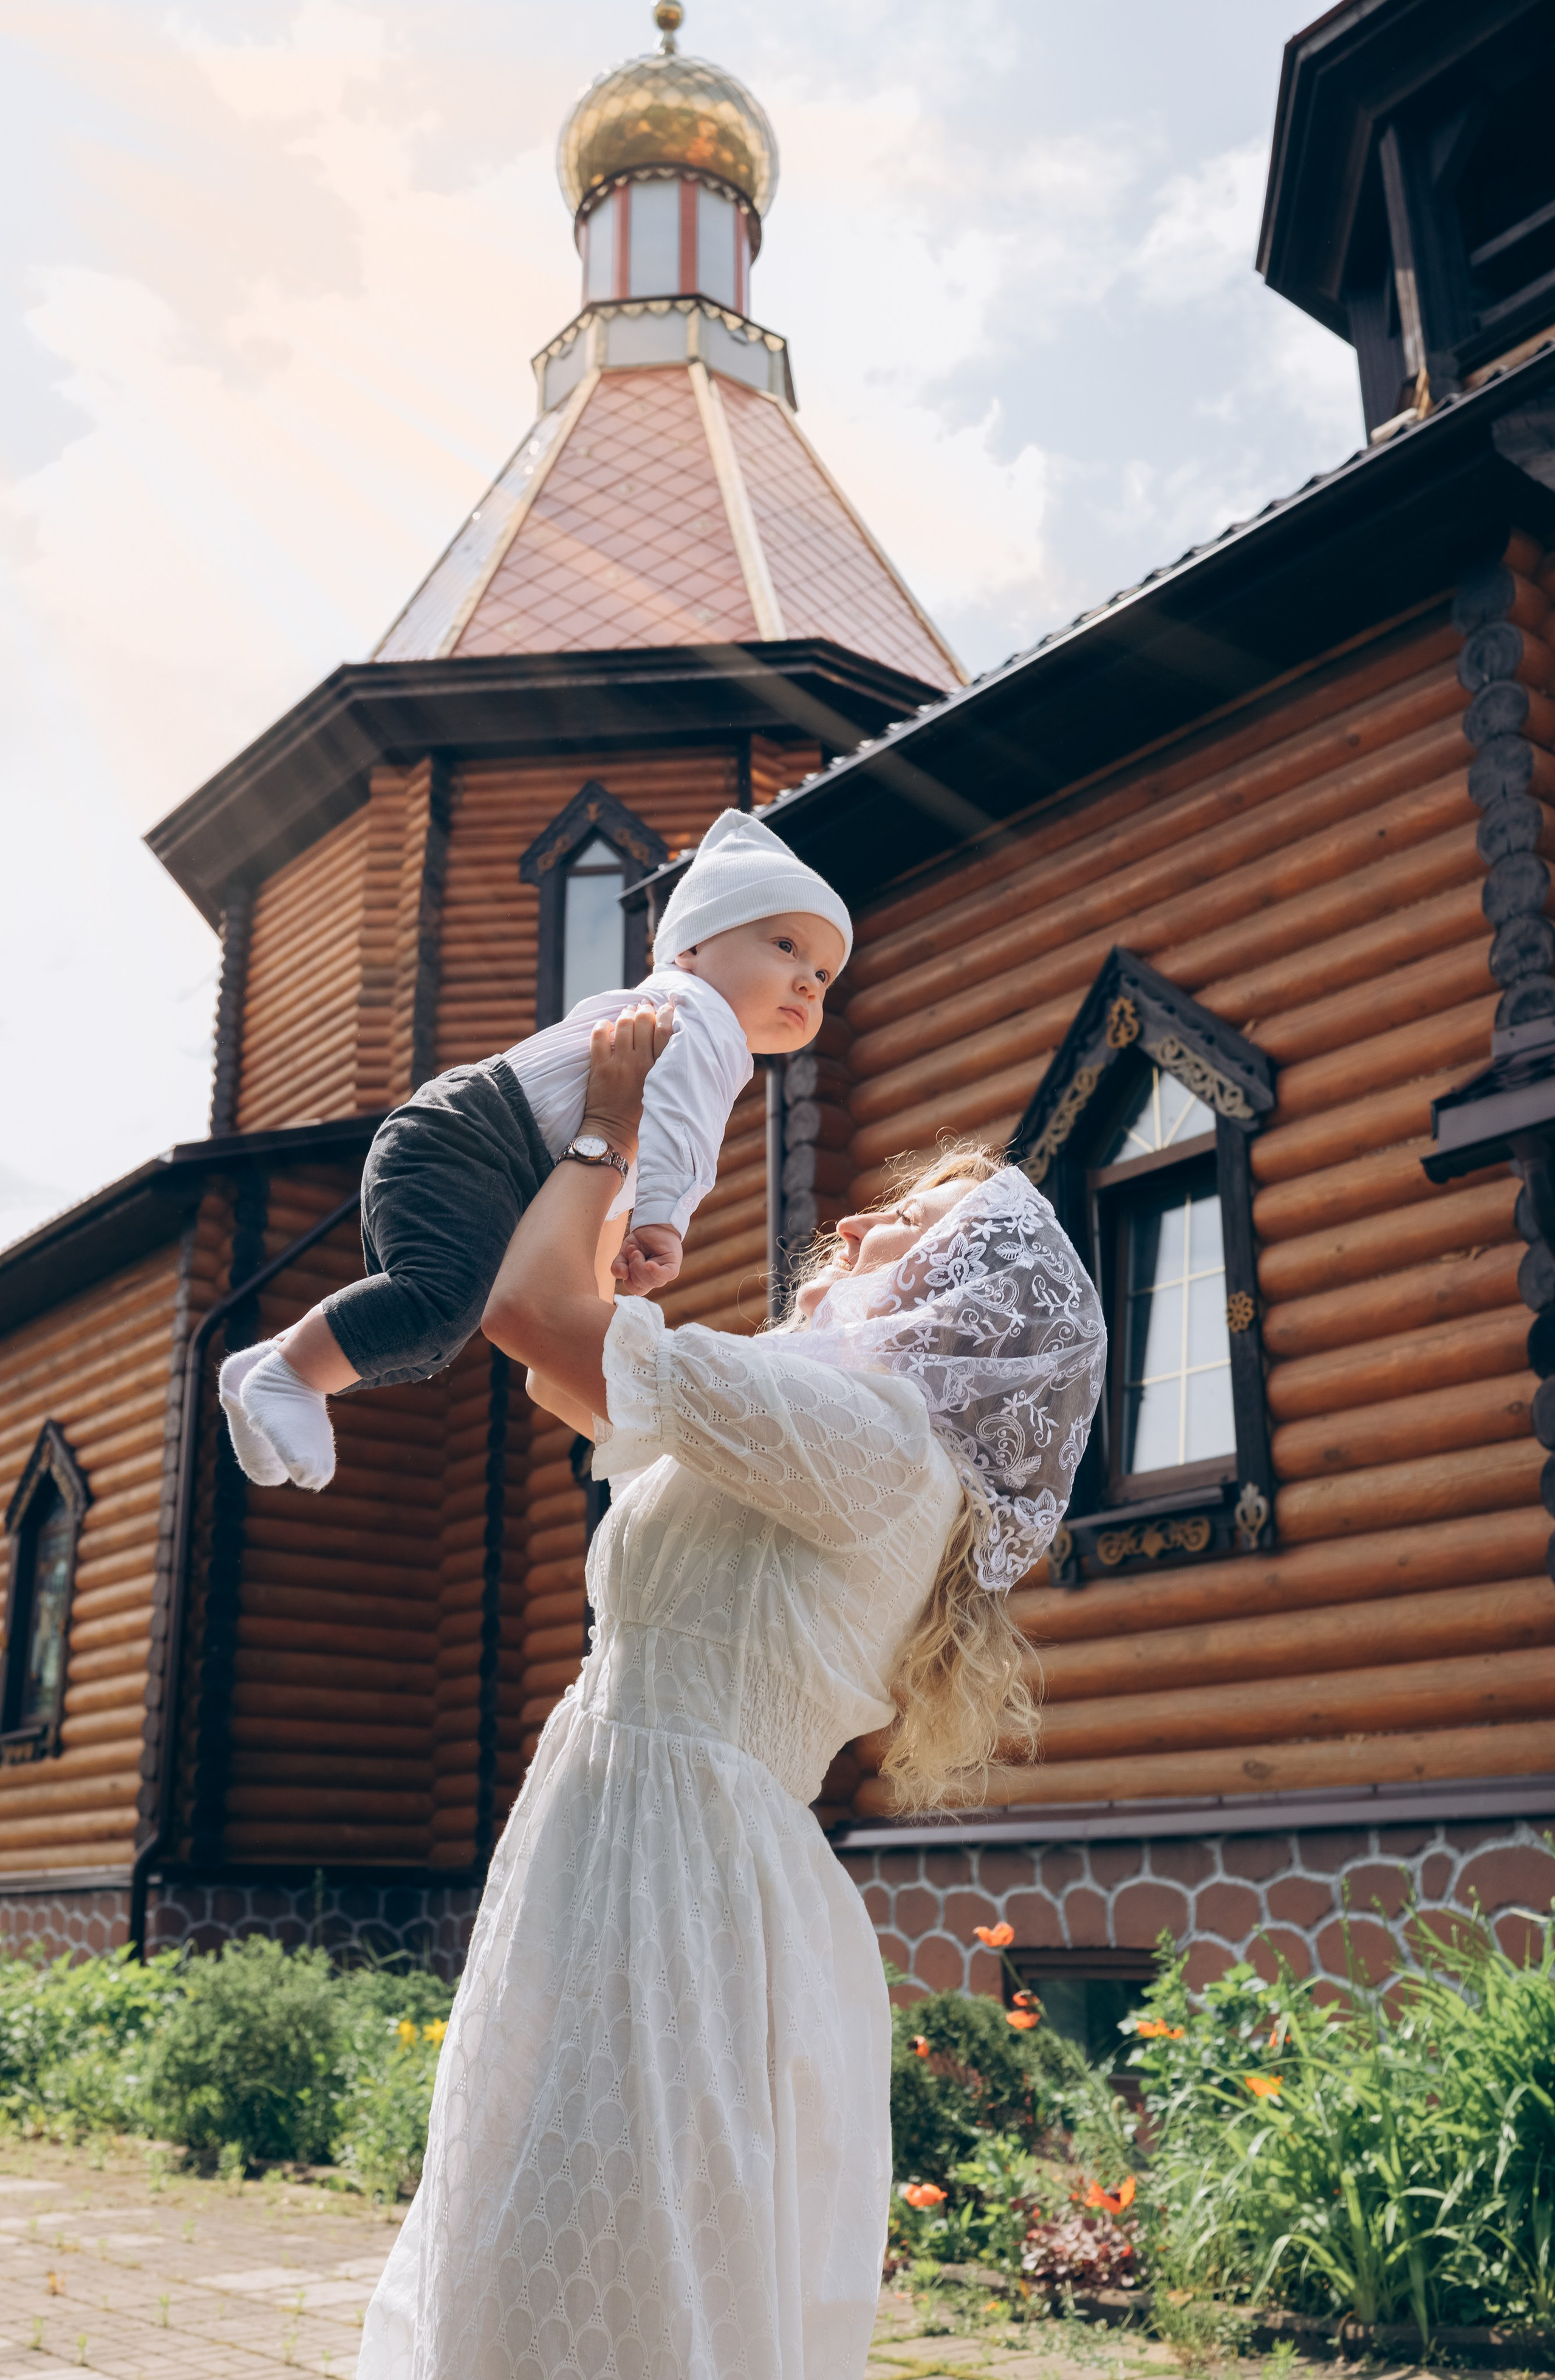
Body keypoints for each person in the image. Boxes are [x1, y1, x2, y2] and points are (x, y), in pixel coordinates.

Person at [357, 1004, 1106, 2380]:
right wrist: (619, 1223)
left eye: (914, 1227)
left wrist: (608, 1124)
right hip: (626, 1843)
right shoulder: (820, 1420)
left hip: (674, 1879)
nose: (863, 1228)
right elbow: (552, 1341)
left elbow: (525, 1309)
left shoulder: (867, 1434)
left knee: (587, 2269)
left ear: (965, 1299)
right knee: (523, 2250)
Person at [217, 809, 851, 1492]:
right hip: (481, 1140)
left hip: (479, 1148)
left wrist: (607, 1260)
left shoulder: (678, 1016)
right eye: (785, 946)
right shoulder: (697, 1017)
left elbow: (616, 1158)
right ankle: (293, 1376)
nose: (809, 981)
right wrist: (663, 1222)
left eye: (824, 974)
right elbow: (676, 1128)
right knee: (434, 1306)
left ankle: (267, 1366)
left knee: (431, 1332)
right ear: (690, 949)